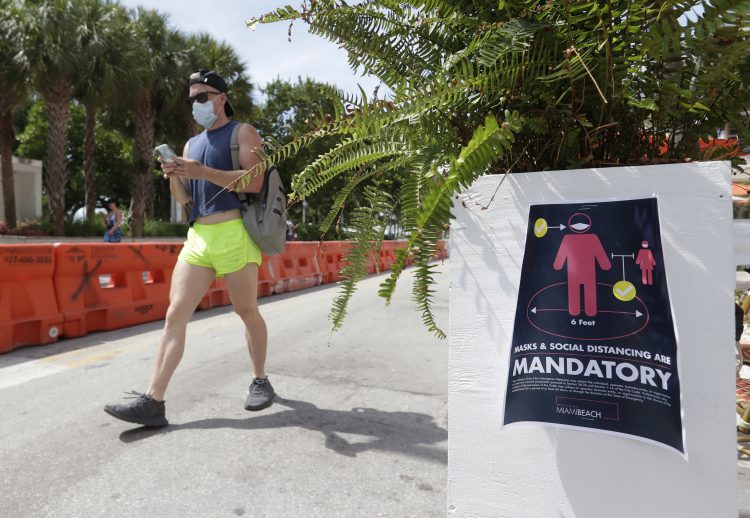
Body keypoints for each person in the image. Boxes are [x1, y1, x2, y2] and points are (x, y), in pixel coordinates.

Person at [104, 70, 274, 427]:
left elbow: (255, 182)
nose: (196, 105)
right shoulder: (190, 144)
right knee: (175, 314)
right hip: (198, 236)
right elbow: (184, 198)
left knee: (245, 311)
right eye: (191, 100)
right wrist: (175, 177)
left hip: (234, 231)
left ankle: (260, 379)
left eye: (202, 97)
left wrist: (202, 171)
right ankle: (154, 401)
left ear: (221, 98)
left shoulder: (243, 132)